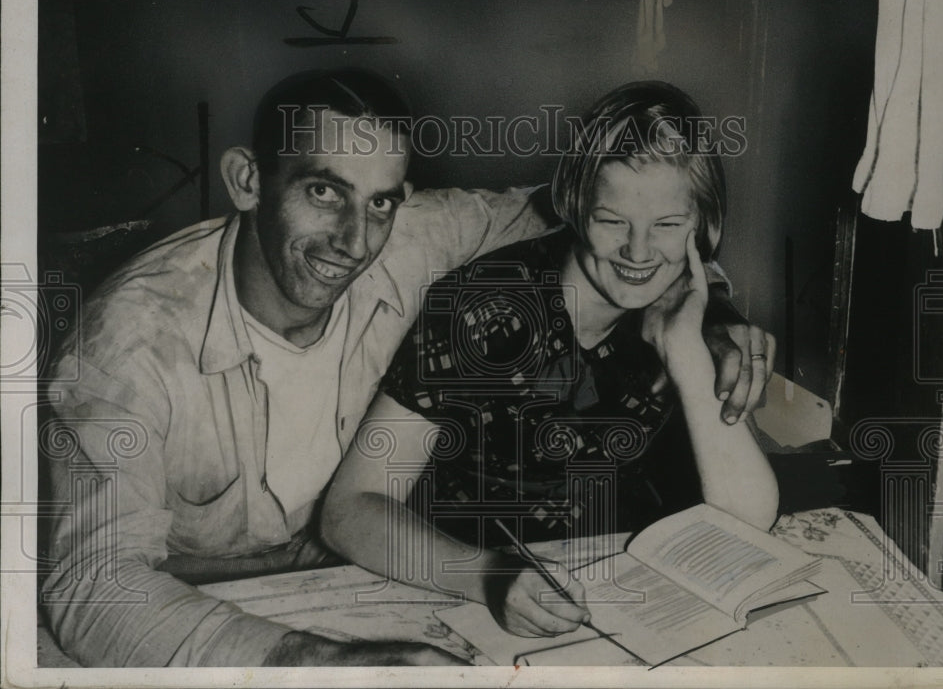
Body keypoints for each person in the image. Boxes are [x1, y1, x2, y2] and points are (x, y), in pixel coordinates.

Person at [41, 69, 773, 667]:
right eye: (322, 189)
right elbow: (98, 590)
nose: (354, 241)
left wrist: (710, 316)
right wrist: (319, 664)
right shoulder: (126, 348)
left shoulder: (414, 233)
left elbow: (580, 215)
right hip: (200, 616)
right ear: (246, 180)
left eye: (382, 201)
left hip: (369, 576)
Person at [320, 81, 780, 639]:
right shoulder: (484, 307)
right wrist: (486, 575)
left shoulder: (687, 308)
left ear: (701, 228)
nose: (638, 253)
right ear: (576, 206)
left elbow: (748, 523)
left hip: (617, 597)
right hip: (468, 597)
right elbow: (349, 508)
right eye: (612, 221)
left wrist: (685, 351)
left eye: (666, 226)